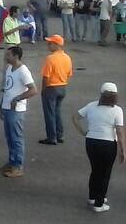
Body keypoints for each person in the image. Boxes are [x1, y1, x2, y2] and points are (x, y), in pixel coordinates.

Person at [73, 83, 124, 213]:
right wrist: (123, 150)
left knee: (95, 170)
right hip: (108, 144)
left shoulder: (91, 106)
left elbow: (75, 117)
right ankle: (99, 203)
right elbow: (119, 132)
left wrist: (83, 132)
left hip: (91, 141)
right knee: (105, 173)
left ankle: (92, 196)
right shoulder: (117, 110)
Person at [0, 45, 37, 178]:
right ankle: (12, 162)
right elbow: (7, 88)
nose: (6, 57)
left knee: (16, 138)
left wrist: (18, 98)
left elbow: (33, 90)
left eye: (8, 55)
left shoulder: (23, 71)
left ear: (16, 56)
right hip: (7, 107)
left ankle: (18, 166)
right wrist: (2, 106)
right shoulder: (10, 68)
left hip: (16, 110)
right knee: (9, 137)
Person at [37, 34, 74, 145]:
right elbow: (69, 74)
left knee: (49, 114)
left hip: (51, 88)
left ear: (56, 45)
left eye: (50, 43)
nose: (48, 45)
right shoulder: (67, 57)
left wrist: (43, 90)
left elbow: (46, 77)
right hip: (62, 87)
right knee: (57, 112)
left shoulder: (50, 58)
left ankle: (51, 137)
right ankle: (59, 135)